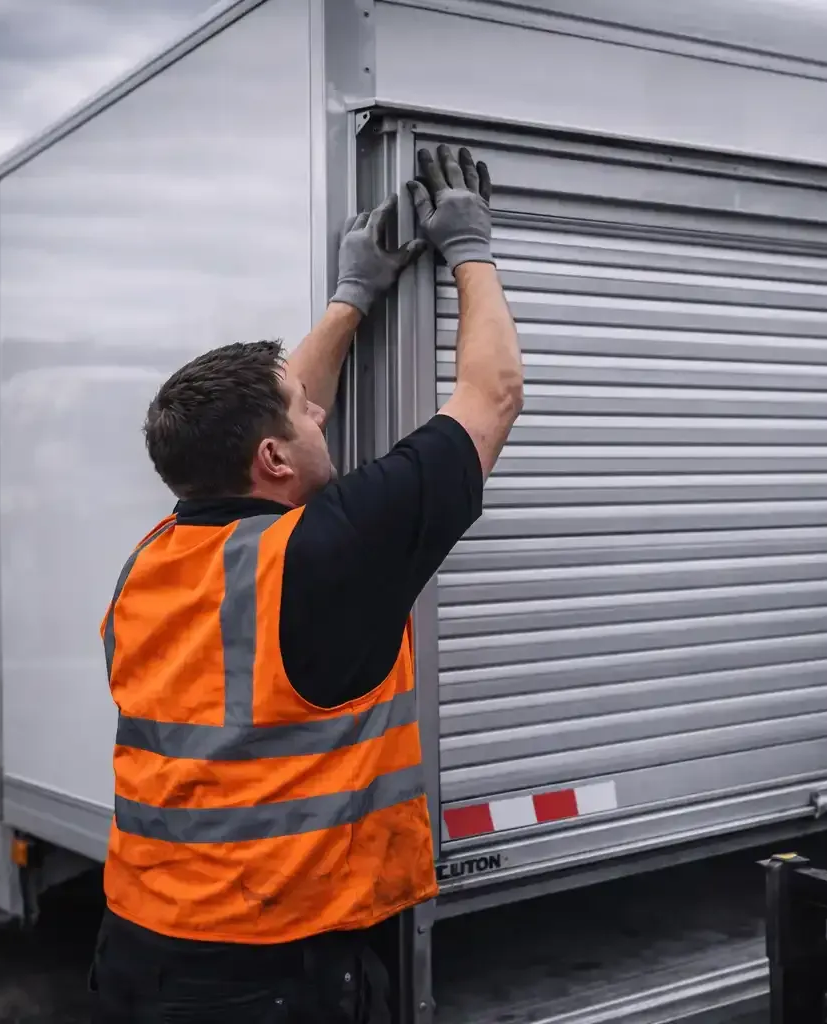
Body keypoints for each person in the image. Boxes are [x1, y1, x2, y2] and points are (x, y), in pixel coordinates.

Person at [87, 144, 523, 1023]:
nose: (322, 407)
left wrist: (350, 298)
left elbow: (276, 433)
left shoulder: (154, 557)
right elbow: (493, 393)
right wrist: (471, 247)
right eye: (303, 409)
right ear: (274, 457)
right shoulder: (327, 555)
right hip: (267, 974)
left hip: (139, 947)